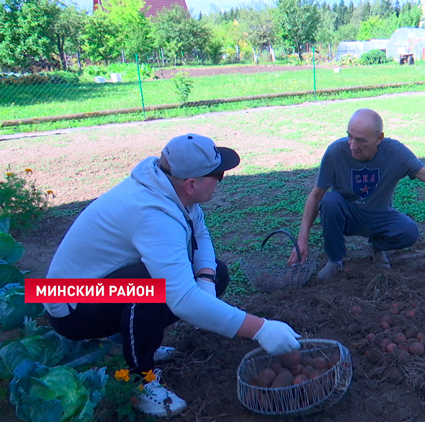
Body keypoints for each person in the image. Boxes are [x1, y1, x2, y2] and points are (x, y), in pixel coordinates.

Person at [44, 134, 302, 418]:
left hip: (96, 286)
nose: (221, 179)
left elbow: (199, 234)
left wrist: (205, 281)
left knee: (217, 273)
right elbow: (181, 299)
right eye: (218, 174)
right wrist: (261, 328)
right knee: (152, 286)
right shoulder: (153, 214)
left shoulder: (170, 189)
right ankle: (139, 381)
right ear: (191, 184)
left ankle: (129, 341)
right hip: (68, 303)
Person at [288, 108, 425, 280]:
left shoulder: (395, 152)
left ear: (379, 138)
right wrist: (302, 239)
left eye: (361, 140)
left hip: (379, 215)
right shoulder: (336, 152)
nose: (352, 146)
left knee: (409, 231)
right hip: (347, 214)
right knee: (330, 200)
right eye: (349, 137)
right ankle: (335, 260)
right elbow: (316, 196)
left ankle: (378, 247)